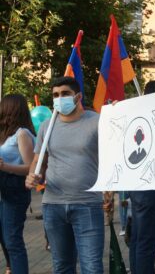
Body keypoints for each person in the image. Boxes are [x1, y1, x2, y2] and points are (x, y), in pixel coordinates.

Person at [25, 77, 104, 274]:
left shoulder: (97, 122)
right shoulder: (46, 126)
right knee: (62, 267)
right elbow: (38, 161)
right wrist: (32, 175)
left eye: (65, 94)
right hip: (53, 206)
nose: (60, 98)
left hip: (87, 204)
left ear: (78, 96)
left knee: (92, 267)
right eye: (55, 95)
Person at [128, 79, 155, 274]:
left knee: (138, 239)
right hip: (150, 186)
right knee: (147, 242)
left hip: (135, 187)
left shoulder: (136, 115)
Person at [0, 94, 36, 274]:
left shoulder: (22, 133)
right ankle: (10, 268)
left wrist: (5, 166)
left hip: (15, 189)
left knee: (12, 240)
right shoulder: (6, 133)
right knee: (5, 239)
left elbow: (31, 167)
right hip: (4, 189)